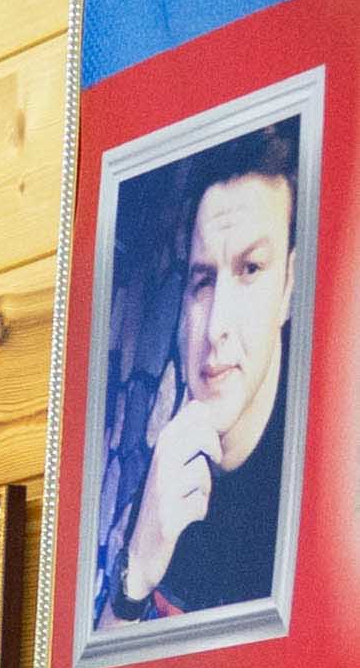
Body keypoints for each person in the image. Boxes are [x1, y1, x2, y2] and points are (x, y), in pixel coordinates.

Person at [102, 123, 302, 629]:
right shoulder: (171, 460)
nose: (215, 328)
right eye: (203, 281)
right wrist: (137, 570)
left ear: (289, 287)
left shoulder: (316, 475)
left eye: (251, 269)